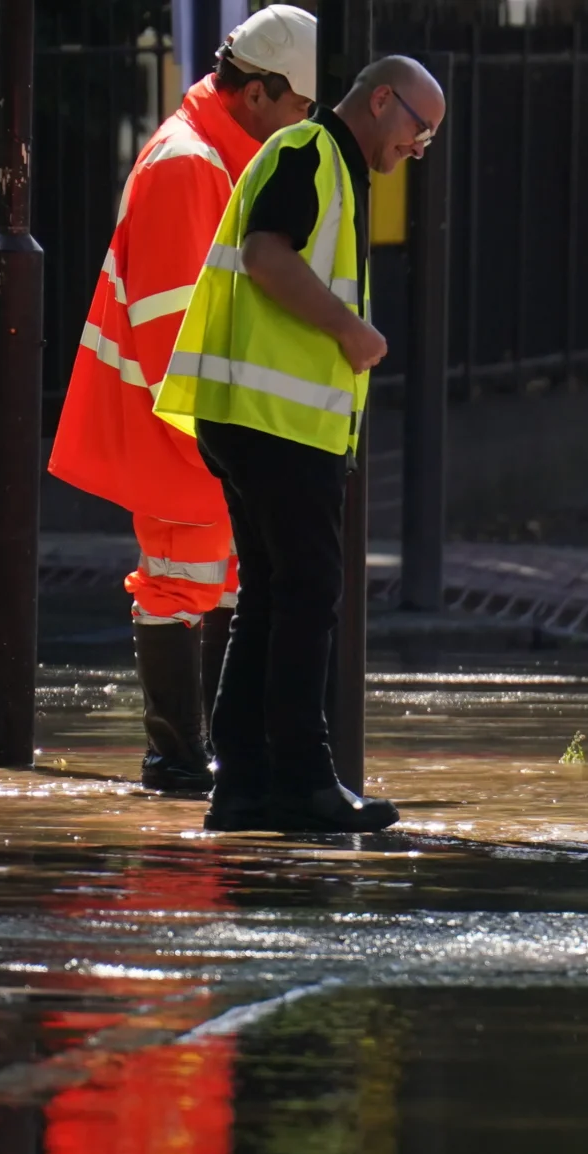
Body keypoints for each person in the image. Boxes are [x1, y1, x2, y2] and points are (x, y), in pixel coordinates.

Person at [154, 55, 445, 834]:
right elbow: (265, 253)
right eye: (420, 129)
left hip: (260, 416)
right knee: (307, 591)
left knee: (276, 596)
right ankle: (301, 779)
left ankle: (245, 783)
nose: (420, 148)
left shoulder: (331, 167)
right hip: (272, 419)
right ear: (381, 100)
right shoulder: (308, 152)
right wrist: (350, 331)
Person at [47, 6, 316, 796]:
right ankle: (180, 760)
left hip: (197, 422)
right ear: (261, 91)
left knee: (216, 581)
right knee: (182, 579)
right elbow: (174, 323)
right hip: (184, 423)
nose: (301, 127)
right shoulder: (190, 163)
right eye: (300, 109)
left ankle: (206, 756)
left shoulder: (208, 154)